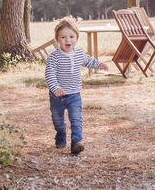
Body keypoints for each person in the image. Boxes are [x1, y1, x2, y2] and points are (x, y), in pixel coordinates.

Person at [45, 16, 109, 154]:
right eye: (63, 37)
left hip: (74, 95)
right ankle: (61, 137)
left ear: (77, 38)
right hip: (57, 97)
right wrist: (56, 88)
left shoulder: (79, 53)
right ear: (57, 39)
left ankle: (76, 143)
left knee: (76, 119)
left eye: (71, 36)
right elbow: (49, 75)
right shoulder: (54, 57)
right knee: (58, 121)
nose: (68, 40)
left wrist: (100, 64)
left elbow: (89, 61)